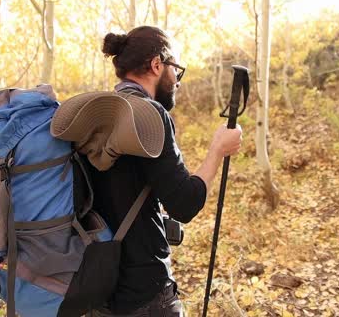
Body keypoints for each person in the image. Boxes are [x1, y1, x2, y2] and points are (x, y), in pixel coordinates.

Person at [90, 26, 243, 316]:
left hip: (98, 285)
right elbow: (184, 203)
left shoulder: (99, 113)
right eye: (176, 70)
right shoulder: (150, 115)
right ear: (157, 64)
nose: (177, 81)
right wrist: (217, 151)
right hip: (144, 293)